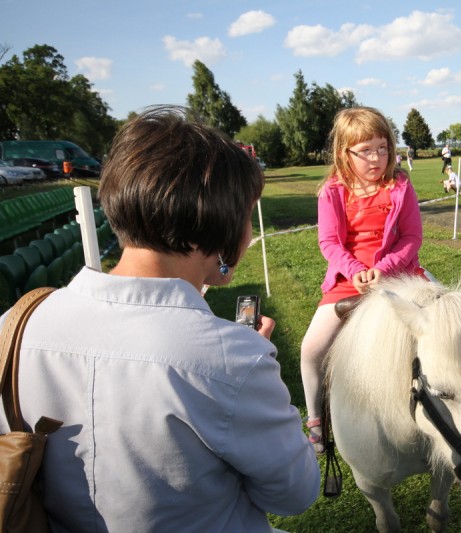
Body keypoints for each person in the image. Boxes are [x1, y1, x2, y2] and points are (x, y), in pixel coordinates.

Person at [0, 106, 320, 532]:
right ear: (221, 222)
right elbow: (294, 493)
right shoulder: (233, 359)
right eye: (245, 215)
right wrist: (254, 365)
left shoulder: (17, 323)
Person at [300, 106, 425, 454]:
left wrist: (383, 269)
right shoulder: (332, 191)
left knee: (441, 326)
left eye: (383, 148)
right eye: (366, 151)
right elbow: (329, 242)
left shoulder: (400, 185)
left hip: (400, 274)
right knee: (311, 350)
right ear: (345, 153)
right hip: (347, 278)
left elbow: (412, 237)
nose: (377, 158)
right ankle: (315, 418)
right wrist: (356, 270)